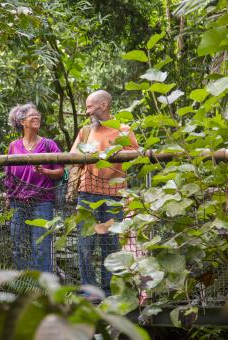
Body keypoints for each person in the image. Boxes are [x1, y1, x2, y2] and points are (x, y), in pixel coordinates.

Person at [70, 90, 139, 297]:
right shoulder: (85, 131)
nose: (87, 111)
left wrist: (112, 154)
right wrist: (87, 155)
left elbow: (136, 155)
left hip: (112, 196)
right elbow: (72, 155)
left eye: (90, 107)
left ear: (103, 106)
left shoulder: (123, 130)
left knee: (110, 244)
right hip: (86, 194)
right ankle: (89, 291)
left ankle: (109, 292)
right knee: (85, 245)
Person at [5, 103, 64, 272]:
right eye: (32, 115)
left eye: (38, 115)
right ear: (23, 121)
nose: (37, 117)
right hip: (18, 203)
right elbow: (9, 176)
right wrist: (8, 198)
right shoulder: (13, 146)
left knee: (41, 246)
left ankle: (44, 290)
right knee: (19, 246)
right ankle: (26, 286)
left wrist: (45, 171)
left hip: (42, 202)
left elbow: (60, 172)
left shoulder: (48, 144)